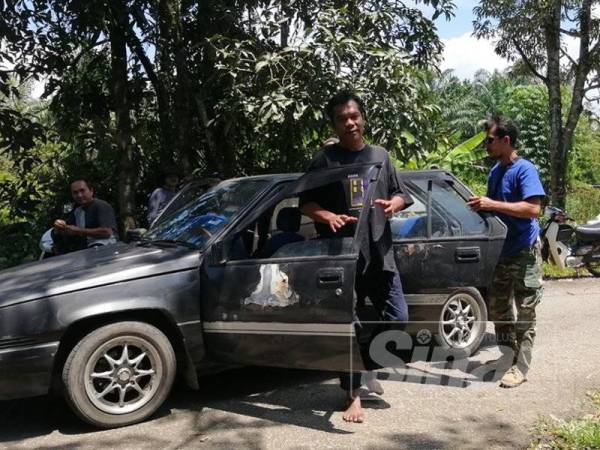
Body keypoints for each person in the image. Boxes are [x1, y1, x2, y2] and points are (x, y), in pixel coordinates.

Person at [299, 91, 412, 423]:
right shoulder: (325, 160)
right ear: (334, 122)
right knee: (347, 325)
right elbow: (305, 203)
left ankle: (367, 365)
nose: (349, 123)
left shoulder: (380, 156)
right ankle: (353, 397)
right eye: (341, 118)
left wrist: (395, 205)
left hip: (379, 253)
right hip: (340, 258)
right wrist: (327, 217)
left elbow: (402, 193)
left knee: (397, 317)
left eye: (354, 116)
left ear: (363, 118)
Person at [468, 117, 545, 388]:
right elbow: (495, 208)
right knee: (499, 309)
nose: (486, 145)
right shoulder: (495, 172)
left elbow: (534, 209)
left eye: (489, 140)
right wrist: (481, 206)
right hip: (502, 250)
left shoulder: (525, 170)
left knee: (525, 311)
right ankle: (507, 356)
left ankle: (520, 368)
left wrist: (493, 204)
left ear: (505, 140)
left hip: (525, 251)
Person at [52, 179, 118, 253]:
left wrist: (79, 231)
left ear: (91, 191)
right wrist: (59, 225)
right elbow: (67, 228)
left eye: (82, 191)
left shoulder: (101, 206)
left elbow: (107, 232)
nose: (79, 195)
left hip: (106, 249)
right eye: (75, 193)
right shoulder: (78, 211)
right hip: (89, 251)